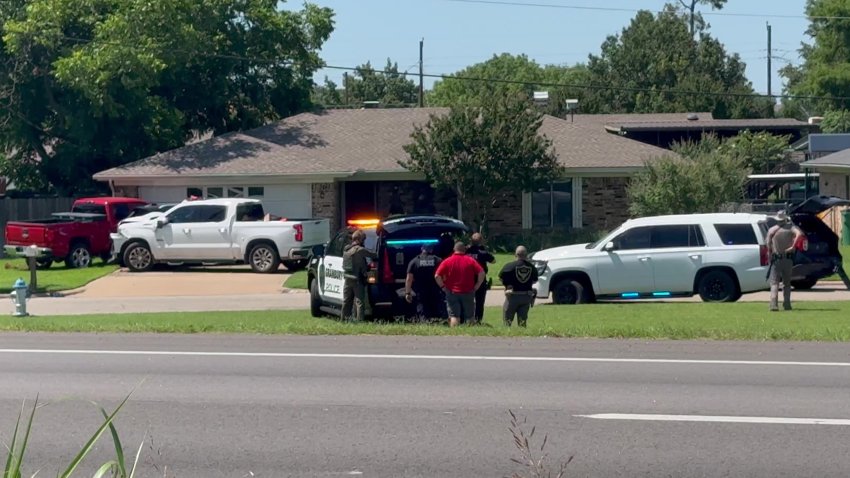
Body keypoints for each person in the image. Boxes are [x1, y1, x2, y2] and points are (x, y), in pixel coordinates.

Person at [434, 242, 485, 327]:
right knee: (470, 316)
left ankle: (455, 334)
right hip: (468, 291)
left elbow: (437, 276)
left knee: (454, 315)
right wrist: (478, 285)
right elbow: (482, 272)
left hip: (452, 292)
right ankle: (471, 333)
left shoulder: (447, 261)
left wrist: (443, 287)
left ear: (454, 250)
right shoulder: (470, 260)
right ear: (464, 250)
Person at [766, 210, 804, 312]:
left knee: (774, 282)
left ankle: (774, 304)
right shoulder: (791, 228)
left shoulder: (771, 230)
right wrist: (792, 246)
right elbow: (800, 234)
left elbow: (768, 246)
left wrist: (769, 256)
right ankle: (787, 304)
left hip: (776, 259)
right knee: (787, 283)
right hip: (788, 259)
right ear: (785, 218)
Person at [342, 229, 378, 321]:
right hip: (357, 280)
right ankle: (360, 320)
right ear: (359, 239)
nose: (364, 242)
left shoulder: (346, 248)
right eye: (363, 239)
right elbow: (374, 255)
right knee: (359, 301)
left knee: (346, 301)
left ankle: (344, 319)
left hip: (347, 278)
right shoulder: (360, 250)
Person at [499, 246, 539, 327]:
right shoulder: (532, 267)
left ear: (516, 255)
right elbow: (535, 280)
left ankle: (507, 337)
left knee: (507, 321)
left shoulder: (509, 266)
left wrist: (508, 285)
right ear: (526, 255)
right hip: (526, 297)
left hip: (512, 296)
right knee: (522, 323)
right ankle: (521, 337)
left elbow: (500, 278)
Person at [404, 244, 444, 322]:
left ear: (422, 249)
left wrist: (407, 293)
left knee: (422, 307)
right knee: (436, 307)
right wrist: (444, 287)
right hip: (435, 289)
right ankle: (437, 322)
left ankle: (424, 323)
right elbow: (444, 275)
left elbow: (409, 279)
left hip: (420, 290)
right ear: (431, 250)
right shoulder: (438, 260)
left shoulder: (414, 261)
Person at [467, 232, 496, 323]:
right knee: (480, 301)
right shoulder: (483, 253)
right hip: (480, 279)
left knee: (467, 300)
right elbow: (493, 261)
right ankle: (478, 320)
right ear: (481, 241)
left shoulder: (466, 251)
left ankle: (468, 319)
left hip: (468, 279)